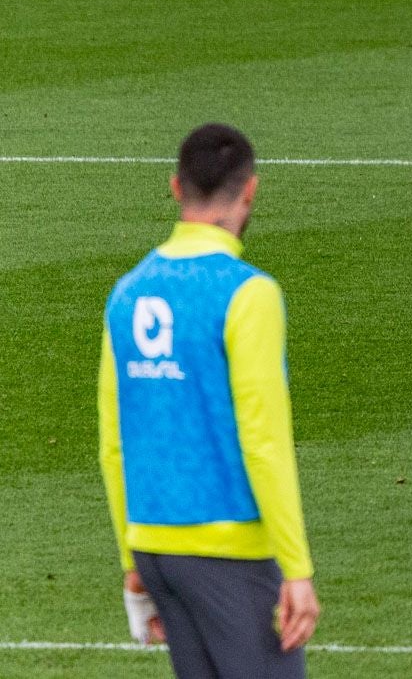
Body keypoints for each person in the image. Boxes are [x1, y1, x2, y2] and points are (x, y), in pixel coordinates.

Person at [98, 123, 320, 678]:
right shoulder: (248, 293)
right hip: (230, 550)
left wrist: (133, 564)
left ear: (176, 189)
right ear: (250, 190)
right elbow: (263, 439)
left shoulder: (127, 292)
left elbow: (114, 441)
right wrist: (295, 567)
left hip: (154, 545)